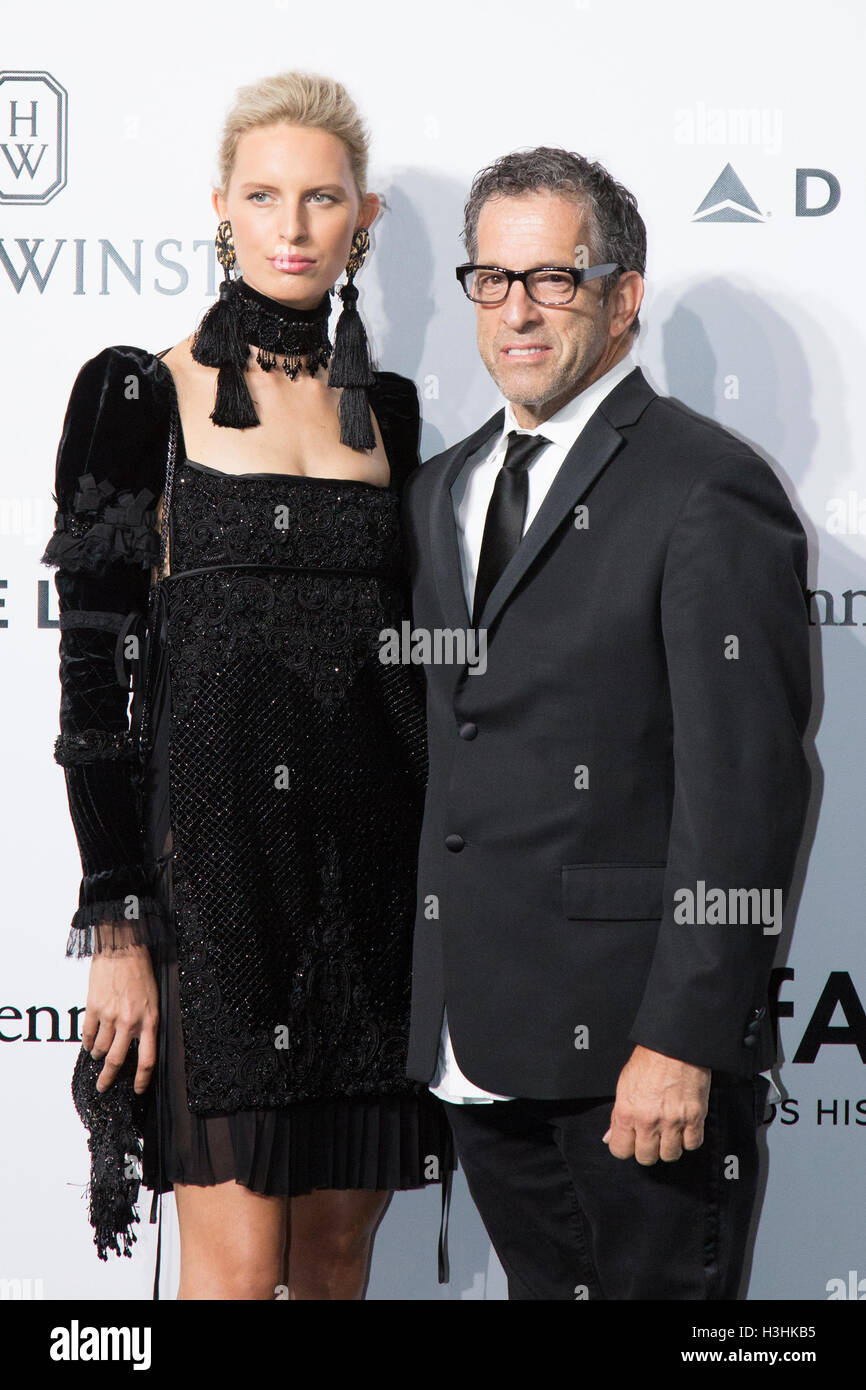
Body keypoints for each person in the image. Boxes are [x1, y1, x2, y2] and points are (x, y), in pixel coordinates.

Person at [42, 69, 453, 1301]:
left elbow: (413, 663)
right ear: (220, 207)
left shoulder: (388, 409)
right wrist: (118, 923)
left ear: (359, 219)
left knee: (333, 1266)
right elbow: (91, 677)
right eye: (264, 195)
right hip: (212, 896)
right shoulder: (135, 392)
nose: (292, 225)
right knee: (231, 1277)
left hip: (365, 890)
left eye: (320, 199)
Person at [402, 147, 812, 1300]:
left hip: (637, 1056)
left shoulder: (705, 486)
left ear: (621, 294)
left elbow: (744, 792)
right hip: (477, 1048)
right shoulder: (440, 489)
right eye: (492, 278)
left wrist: (683, 1039)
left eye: (554, 277)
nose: (518, 311)